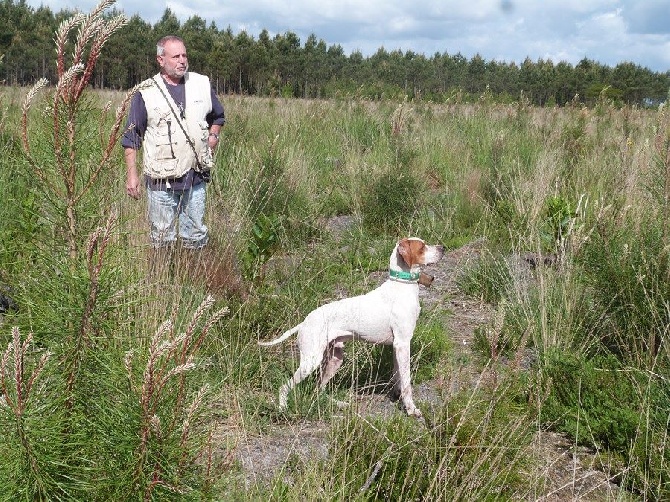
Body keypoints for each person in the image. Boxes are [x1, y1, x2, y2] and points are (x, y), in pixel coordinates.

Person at [122, 35, 225, 250]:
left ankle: (193, 279)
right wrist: (132, 175)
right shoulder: (146, 92)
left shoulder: (201, 84)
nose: (182, 61)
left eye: (184, 55)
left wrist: (213, 136)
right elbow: (132, 137)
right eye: (175, 56)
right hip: (161, 182)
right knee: (161, 239)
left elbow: (218, 116)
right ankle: (163, 279)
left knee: (195, 237)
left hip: (196, 177)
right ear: (161, 60)